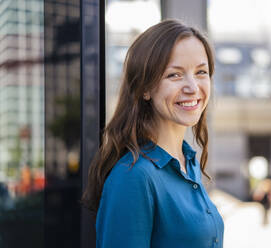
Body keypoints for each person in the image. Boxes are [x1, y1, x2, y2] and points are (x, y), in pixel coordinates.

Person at [81, 20, 224, 248]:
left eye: (201, 72)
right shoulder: (134, 177)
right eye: (174, 75)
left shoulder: (188, 164)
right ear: (145, 88)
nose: (192, 87)